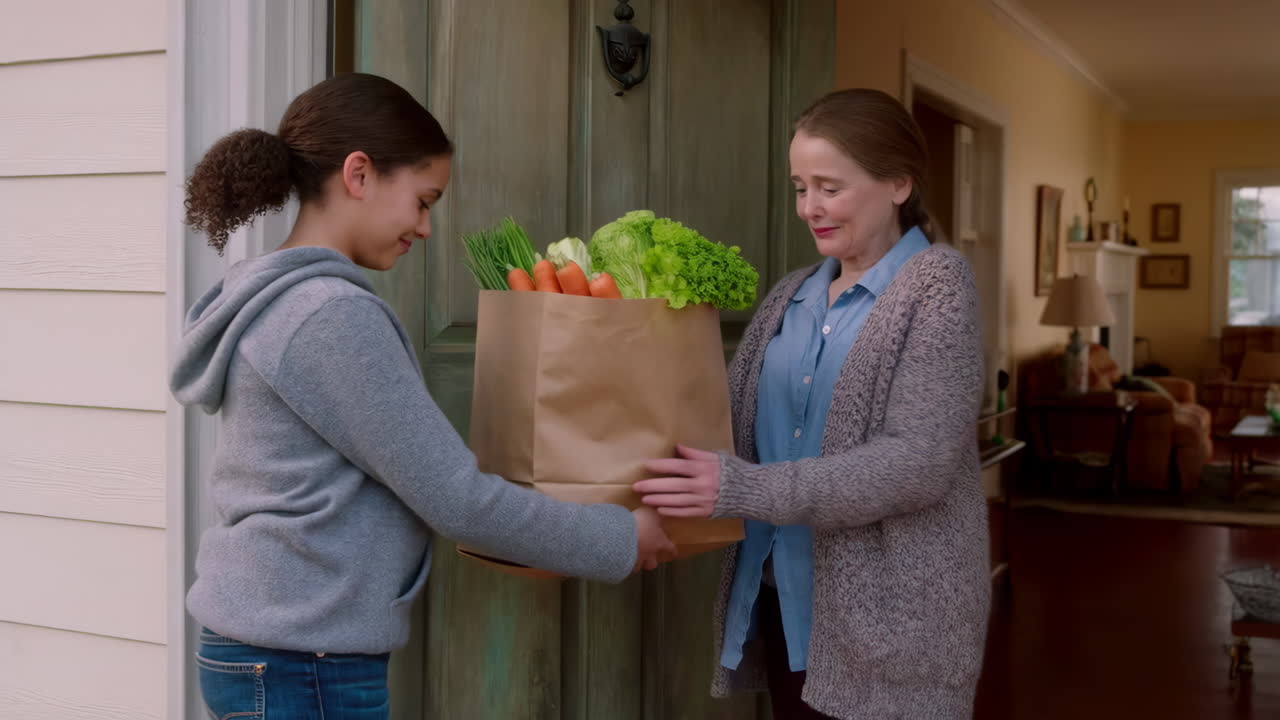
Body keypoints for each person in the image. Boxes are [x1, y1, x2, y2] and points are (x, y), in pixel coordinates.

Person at [171, 73, 674, 720]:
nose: (426, 227)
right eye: (423, 200)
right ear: (359, 174)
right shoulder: (327, 316)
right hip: (303, 665)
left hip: (276, 650)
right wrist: (622, 537)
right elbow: (456, 499)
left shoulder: (282, 301)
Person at [634, 88, 989, 719]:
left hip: (892, 623)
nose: (809, 208)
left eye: (830, 187)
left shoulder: (938, 288)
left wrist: (743, 489)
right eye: (801, 187)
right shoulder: (790, 295)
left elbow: (919, 462)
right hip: (782, 601)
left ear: (899, 184)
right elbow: (731, 436)